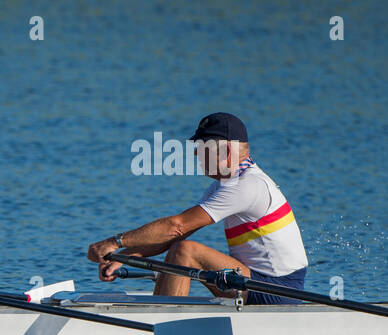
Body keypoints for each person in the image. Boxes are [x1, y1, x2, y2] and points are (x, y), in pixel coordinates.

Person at [87, 112, 307, 304]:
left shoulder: (248, 185)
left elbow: (177, 226)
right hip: (255, 280)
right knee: (180, 247)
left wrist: (113, 242)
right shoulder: (224, 185)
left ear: (226, 152)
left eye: (203, 148)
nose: (196, 155)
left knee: (186, 251)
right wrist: (123, 257)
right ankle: (162, 312)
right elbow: (171, 236)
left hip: (278, 289)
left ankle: (163, 321)